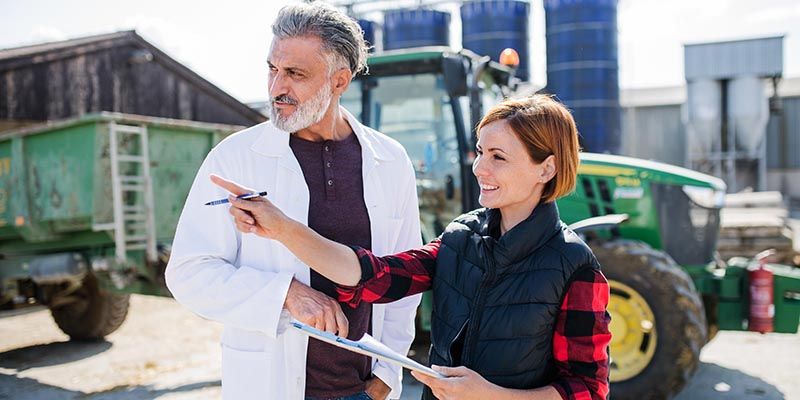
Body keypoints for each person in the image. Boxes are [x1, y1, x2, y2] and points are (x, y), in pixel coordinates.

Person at [215, 95, 612, 400]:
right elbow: (374, 277)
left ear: (547, 168)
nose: (479, 168)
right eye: (479, 151)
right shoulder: (460, 238)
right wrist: (282, 228)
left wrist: (491, 395)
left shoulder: (574, 266)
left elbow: (587, 390)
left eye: (498, 157)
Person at [165, 3, 423, 400]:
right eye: (272, 69)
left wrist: (388, 372)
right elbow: (188, 273)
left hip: (361, 389)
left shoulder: (390, 160)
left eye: (294, 74)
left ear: (339, 81)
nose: (276, 88)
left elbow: (406, 277)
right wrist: (284, 293)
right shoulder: (236, 157)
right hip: (269, 385)